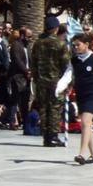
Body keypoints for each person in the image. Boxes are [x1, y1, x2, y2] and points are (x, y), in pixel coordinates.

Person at [56, 32, 93, 165]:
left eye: (78, 45)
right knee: (87, 125)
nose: (75, 47)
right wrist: (59, 88)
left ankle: (82, 154)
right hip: (81, 95)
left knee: (85, 122)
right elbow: (67, 76)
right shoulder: (74, 60)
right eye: (74, 45)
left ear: (86, 44)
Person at [29, 16, 70, 147]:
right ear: (56, 28)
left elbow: (33, 62)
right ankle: (53, 136)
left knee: (43, 107)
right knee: (55, 108)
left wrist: (36, 77)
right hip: (56, 81)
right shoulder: (60, 44)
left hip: (41, 80)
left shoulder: (38, 43)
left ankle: (46, 136)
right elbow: (66, 64)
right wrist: (68, 82)